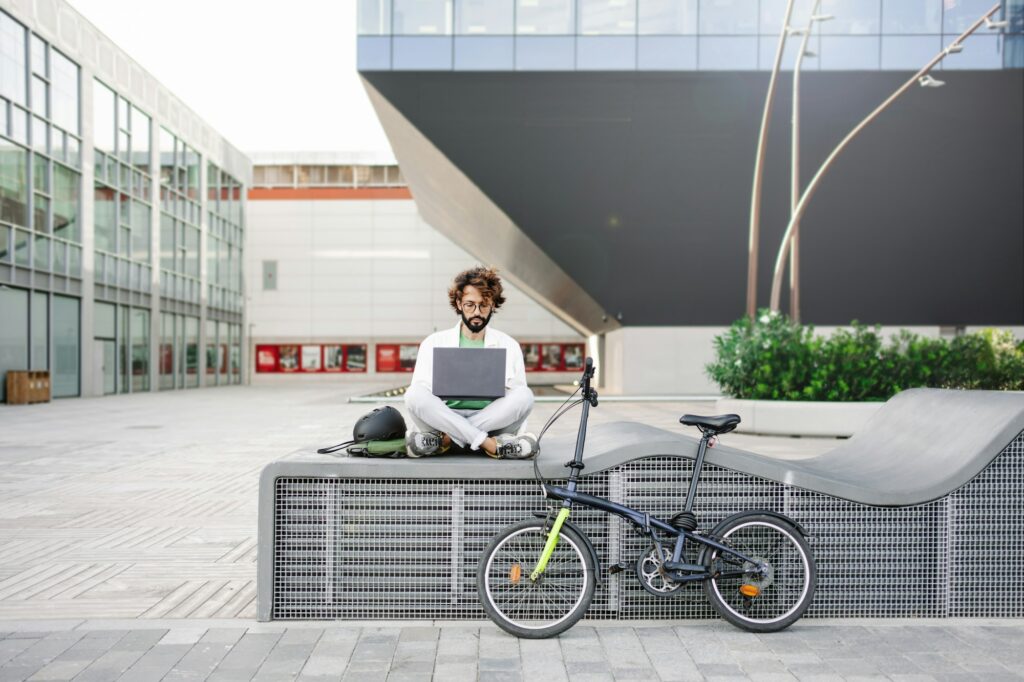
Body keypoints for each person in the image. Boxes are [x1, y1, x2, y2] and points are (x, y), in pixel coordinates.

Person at [404, 266, 538, 459]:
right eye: (470, 305)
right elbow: (421, 394)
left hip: (492, 422)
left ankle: (447, 441)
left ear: (493, 305)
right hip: (444, 417)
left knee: (525, 396)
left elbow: (516, 396)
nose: (477, 312)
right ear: (458, 304)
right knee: (413, 394)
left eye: (483, 305)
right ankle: (488, 445)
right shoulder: (433, 342)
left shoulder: (509, 345)